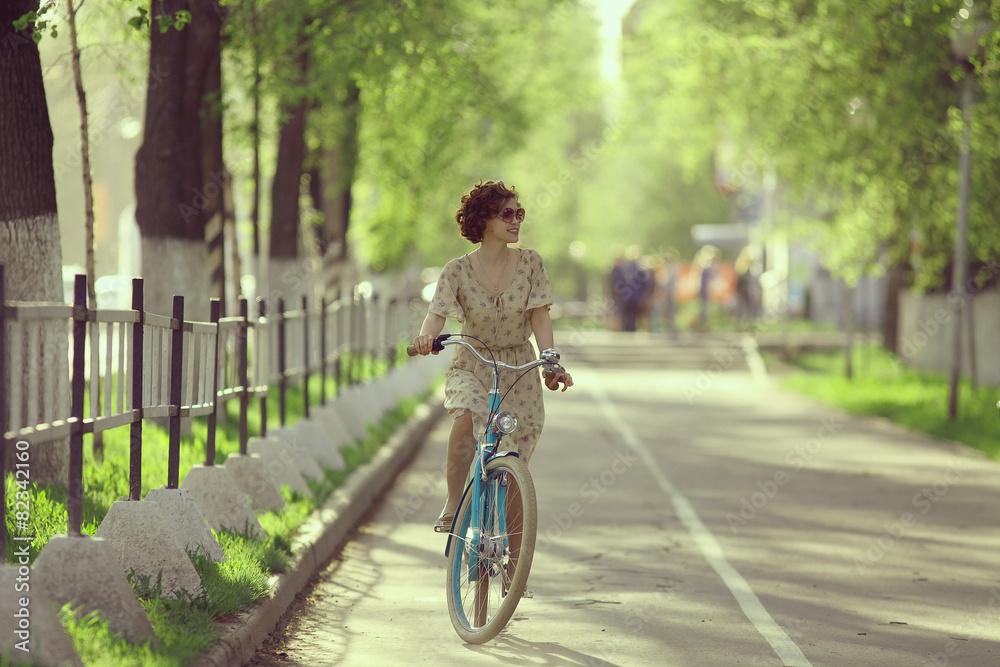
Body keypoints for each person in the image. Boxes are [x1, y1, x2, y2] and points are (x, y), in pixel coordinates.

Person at [411, 179, 573, 533]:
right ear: (484, 220)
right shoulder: (456, 270)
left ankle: (516, 567)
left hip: (520, 370)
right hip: (473, 363)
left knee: (514, 471)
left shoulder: (531, 263)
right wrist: (427, 337)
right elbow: (437, 313)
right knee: (467, 416)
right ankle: (454, 501)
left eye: (519, 213)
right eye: (507, 214)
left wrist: (550, 361)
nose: (516, 220)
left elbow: (539, 315)